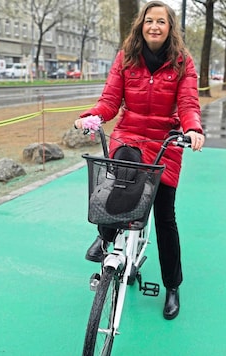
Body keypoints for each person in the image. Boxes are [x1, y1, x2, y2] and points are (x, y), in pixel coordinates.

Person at [73, 0, 204, 320]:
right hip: (130, 134)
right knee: (118, 182)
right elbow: (109, 100)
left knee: (164, 215)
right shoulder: (126, 58)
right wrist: (91, 116)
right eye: (149, 21)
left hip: (165, 141)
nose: (154, 26)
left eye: (161, 21)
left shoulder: (182, 62)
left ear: (171, 27)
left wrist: (193, 129)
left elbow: (188, 103)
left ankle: (172, 286)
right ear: (141, 26)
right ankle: (105, 235)